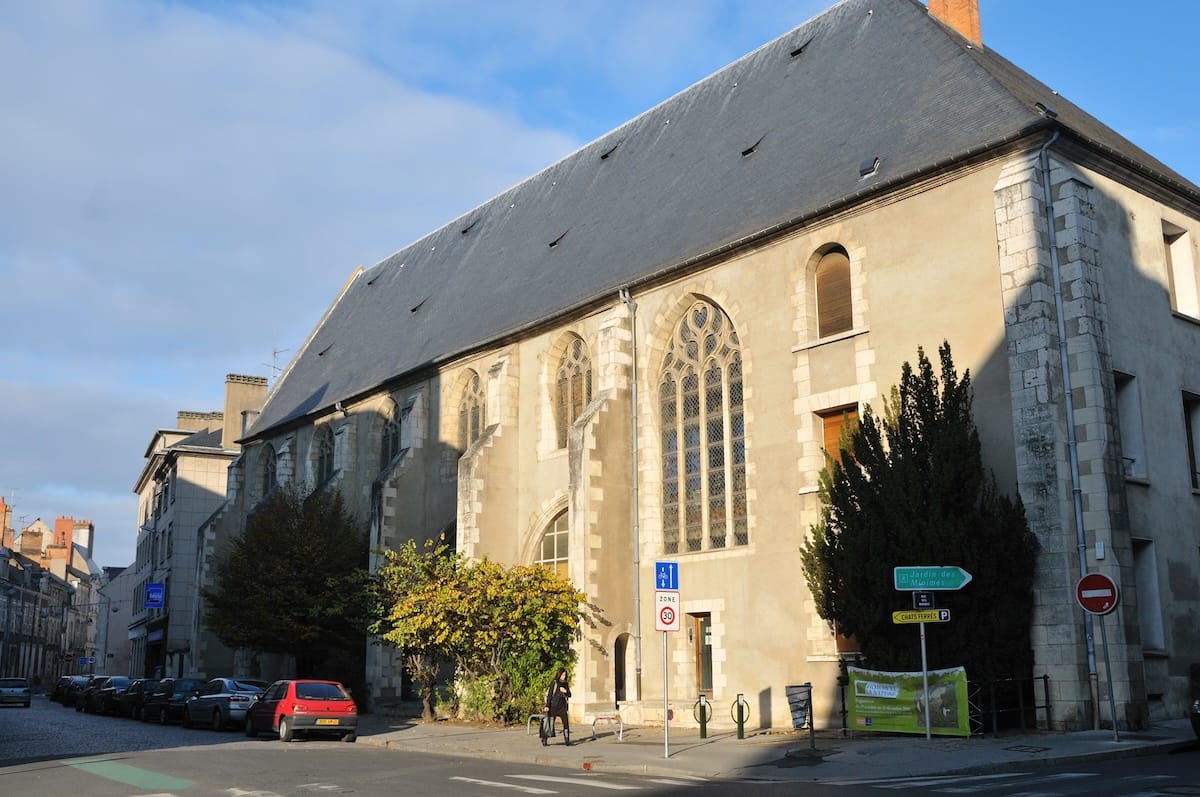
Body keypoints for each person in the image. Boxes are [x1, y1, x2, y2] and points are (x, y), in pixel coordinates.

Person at [542, 668, 572, 746]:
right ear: (559, 675)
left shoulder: (565, 684)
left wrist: (565, 691)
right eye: (562, 675)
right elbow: (549, 695)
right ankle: (544, 739)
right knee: (550, 723)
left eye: (565, 675)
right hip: (553, 706)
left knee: (565, 722)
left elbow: (569, 694)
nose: (564, 676)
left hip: (562, 707)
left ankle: (567, 739)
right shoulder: (554, 683)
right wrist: (547, 706)